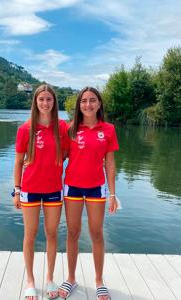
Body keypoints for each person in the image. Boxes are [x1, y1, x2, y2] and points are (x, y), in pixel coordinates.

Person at [58, 87, 119, 300]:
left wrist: (112, 194)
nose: (88, 104)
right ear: (79, 105)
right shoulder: (70, 129)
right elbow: (61, 155)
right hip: (72, 187)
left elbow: (110, 163)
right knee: (73, 232)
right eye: (84, 101)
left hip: (96, 188)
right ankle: (71, 278)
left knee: (96, 233)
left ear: (99, 104)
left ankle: (99, 281)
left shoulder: (109, 129)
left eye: (92, 100)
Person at [13, 84, 68, 300]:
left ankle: (50, 278)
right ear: (35, 102)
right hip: (30, 190)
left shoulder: (62, 128)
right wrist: (16, 191)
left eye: (49, 99)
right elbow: (18, 163)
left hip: (54, 189)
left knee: (52, 234)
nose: (45, 103)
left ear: (54, 103)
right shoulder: (25, 129)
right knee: (30, 234)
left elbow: (66, 153)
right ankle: (30, 281)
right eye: (41, 99)